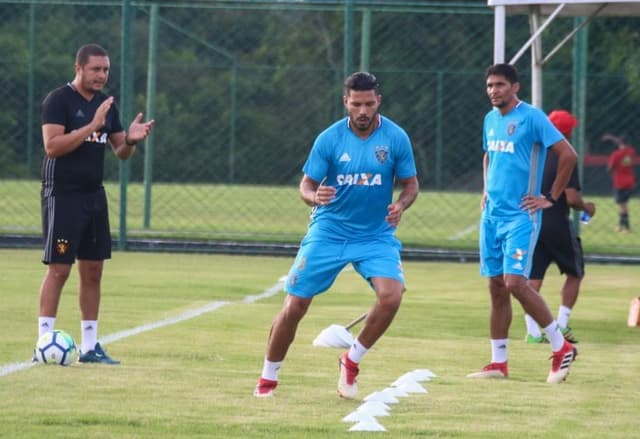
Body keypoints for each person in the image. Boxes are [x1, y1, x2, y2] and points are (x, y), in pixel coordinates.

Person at [253, 72, 419, 398]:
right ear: (346, 102)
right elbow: (306, 185)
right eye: (356, 104)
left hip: (375, 236)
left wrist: (401, 204)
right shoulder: (329, 139)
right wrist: (315, 197)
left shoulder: (396, 137)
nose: (362, 111)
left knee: (392, 296)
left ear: (378, 102)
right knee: (295, 306)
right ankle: (267, 379)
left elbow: (411, 185)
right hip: (328, 232)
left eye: (369, 104)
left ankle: (352, 360)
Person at [36, 44, 154, 364]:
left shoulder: (106, 105)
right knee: (59, 270)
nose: (102, 75)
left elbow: (120, 151)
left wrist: (130, 139)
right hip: (62, 194)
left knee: (93, 271)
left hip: (93, 196)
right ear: (79, 69)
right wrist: (91, 126)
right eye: (95, 70)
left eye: (105, 70)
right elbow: (52, 147)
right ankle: (43, 342)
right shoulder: (58, 101)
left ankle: (90, 347)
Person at [467, 63, 578, 384]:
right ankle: (498, 362)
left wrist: (550, 197)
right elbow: (488, 155)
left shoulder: (532, 117)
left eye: (500, 85)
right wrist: (486, 189)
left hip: (520, 217)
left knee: (515, 282)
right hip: (492, 216)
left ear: (515, 87)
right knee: (496, 287)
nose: (493, 90)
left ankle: (561, 346)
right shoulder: (490, 119)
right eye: (489, 85)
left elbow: (568, 155)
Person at [523, 109, 596, 345]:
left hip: (534, 221)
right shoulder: (565, 156)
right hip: (556, 222)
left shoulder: (534, 153)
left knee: (533, 277)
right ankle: (562, 325)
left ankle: (533, 332)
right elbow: (572, 198)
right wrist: (587, 208)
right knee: (575, 272)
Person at [602, 133, 636, 232]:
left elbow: (610, 168)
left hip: (620, 182)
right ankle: (621, 226)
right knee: (623, 204)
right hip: (630, 181)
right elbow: (622, 143)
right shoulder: (631, 151)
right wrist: (611, 138)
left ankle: (626, 227)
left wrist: (610, 168)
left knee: (623, 205)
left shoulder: (616, 154)